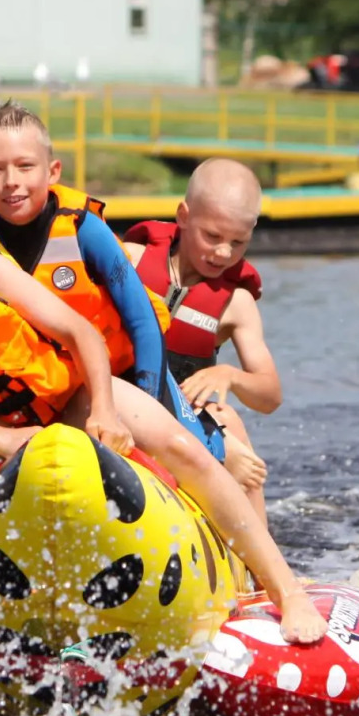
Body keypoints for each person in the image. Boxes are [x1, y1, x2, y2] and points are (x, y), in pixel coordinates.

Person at [0, 169, 325, 648]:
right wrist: (7, 441)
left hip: (65, 402)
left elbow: (81, 332)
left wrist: (104, 409)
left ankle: (283, 590)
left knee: (184, 447)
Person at [124, 158, 281, 522]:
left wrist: (230, 376)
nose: (224, 253)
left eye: (238, 242)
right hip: (121, 404)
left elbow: (270, 395)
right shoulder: (129, 261)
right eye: (212, 236)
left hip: (185, 416)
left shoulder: (235, 304)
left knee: (231, 422)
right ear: (183, 215)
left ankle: (260, 564)